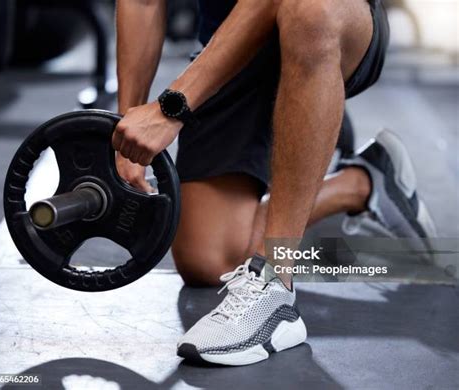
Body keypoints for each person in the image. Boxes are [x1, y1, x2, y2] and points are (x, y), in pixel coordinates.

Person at [112, 0, 435, 366]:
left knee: (310, 13)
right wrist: (125, 133)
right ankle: (363, 181)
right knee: (209, 261)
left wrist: (172, 106)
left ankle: (273, 283)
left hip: (335, 17)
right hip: (230, 46)